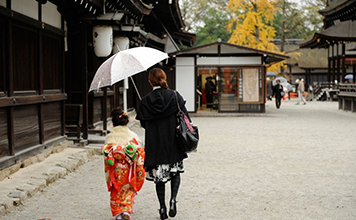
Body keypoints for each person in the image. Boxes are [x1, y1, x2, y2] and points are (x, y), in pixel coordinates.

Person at [136, 68, 191, 220]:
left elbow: (144, 124)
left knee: (159, 178)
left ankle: (162, 208)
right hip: (173, 142)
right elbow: (186, 118)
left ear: (150, 81)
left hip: (156, 145)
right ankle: (173, 200)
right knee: (175, 173)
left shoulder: (145, 100)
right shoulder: (174, 95)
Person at [103, 108, 145, 220]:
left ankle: (118, 214)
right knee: (128, 189)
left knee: (116, 190)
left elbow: (106, 155)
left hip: (115, 169)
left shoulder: (110, 137)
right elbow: (139, 153)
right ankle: (126, 211)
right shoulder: (132, 136)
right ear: (126, 122)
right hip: (128, 169)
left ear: (113, 123)